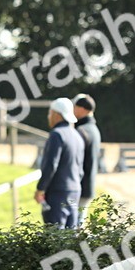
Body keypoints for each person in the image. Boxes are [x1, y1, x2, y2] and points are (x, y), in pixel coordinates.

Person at [34, 97, 84, 229]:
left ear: (57, 115)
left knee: (55, 235)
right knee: (71, 234)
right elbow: (80, 169)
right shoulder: (77, 136)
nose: (49, 117)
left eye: (50, 113)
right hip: (75, 191)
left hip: (58, 192)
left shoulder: (57, 134)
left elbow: (51, 165)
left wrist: (40, 189)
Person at [73, 93, 101, 227]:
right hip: (88, 184)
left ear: (82, 109)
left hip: (80, 185)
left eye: (75, 106)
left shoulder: (82, 130)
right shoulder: (93, 129)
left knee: (75, 225)